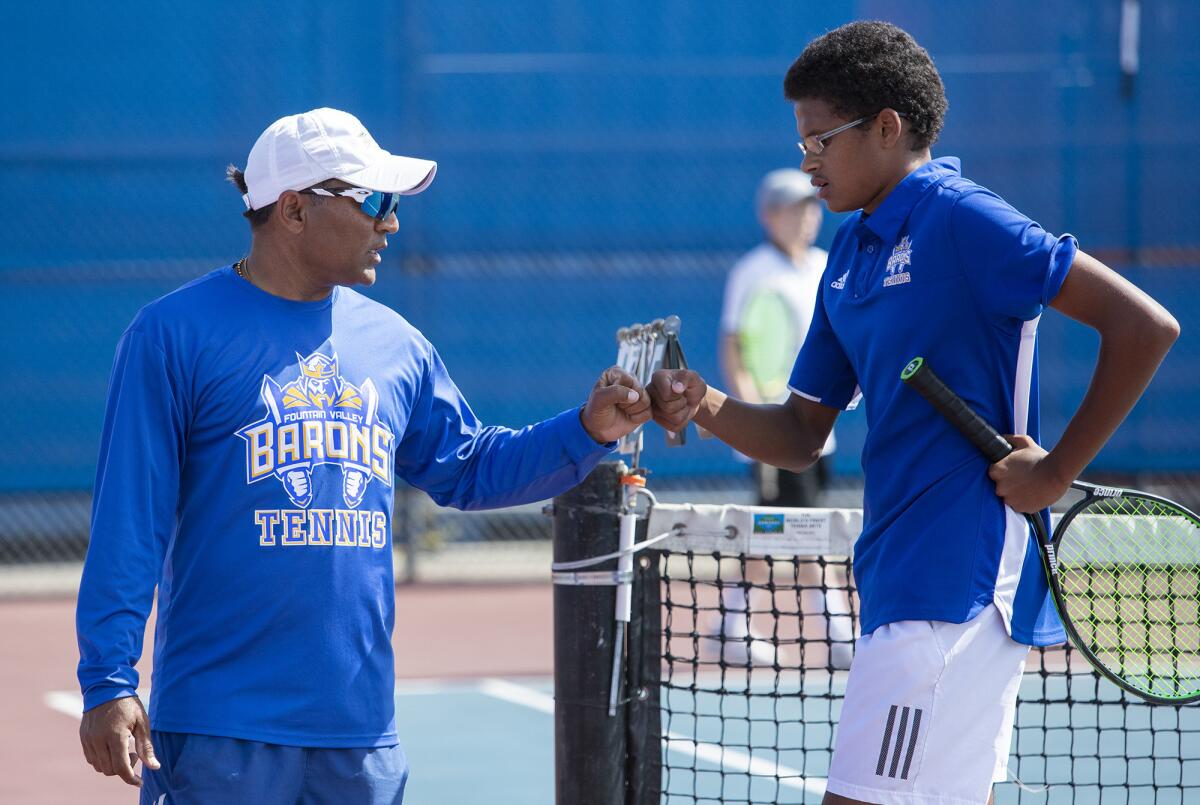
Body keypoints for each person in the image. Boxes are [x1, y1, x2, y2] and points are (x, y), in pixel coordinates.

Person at [649, 21, 1178, 805]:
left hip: (955, 585)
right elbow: (800, 434)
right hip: (900, 577)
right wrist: (707, 401)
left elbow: (1145, 326)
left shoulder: (965, 218)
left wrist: (1057, 470)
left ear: (888, 128)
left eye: (820, 140)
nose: (808, 162)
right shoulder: (850, 259)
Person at [75, 107, 651, 804]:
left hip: (360, 740)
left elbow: (468, 466)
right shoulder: (170, 336)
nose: (393, 223)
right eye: (376, 201)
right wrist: (109, 680)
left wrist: (587, 429)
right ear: (292, 209)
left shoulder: (397, 345)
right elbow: (129, 525)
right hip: (220, 736)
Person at [709, 168, 853, 669]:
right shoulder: (753, 271)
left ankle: (727, 623)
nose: (807, 217)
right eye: (794, 209)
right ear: (769, 216)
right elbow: (734, 349)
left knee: (777, 529)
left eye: (811, 208)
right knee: (803, 527)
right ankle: (835, 633)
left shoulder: (826, 265)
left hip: (820, 427)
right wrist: (754, 421)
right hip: (776, 429)